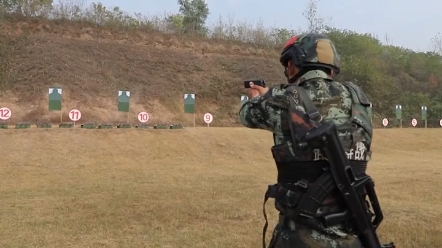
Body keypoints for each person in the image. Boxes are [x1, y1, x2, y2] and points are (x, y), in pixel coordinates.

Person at [239, 33, 375, 247]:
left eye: (288, 64)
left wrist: (258, 96)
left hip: (299, 239)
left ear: (294, 64)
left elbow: (246, 114)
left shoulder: (283, 99)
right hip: (354, 235)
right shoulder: (359, 100)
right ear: (331, 67)